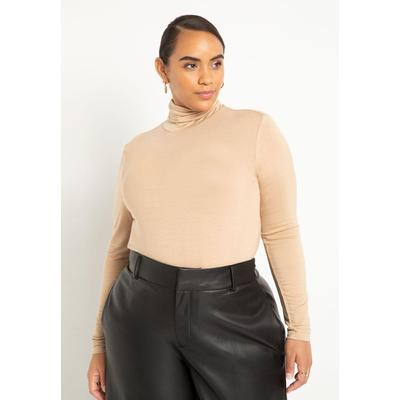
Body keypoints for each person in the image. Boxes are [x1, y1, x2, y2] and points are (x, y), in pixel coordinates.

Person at [87, 14, 312, 400]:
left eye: (216, 63)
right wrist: (98, 345)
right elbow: (118, 249)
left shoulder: (255, 130)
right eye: (191, 65)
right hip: (140, 314)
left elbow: (280, 232)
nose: (208, 78)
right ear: (162, 69)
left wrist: (300, 329)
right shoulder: (137, 151)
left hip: (235, 311)